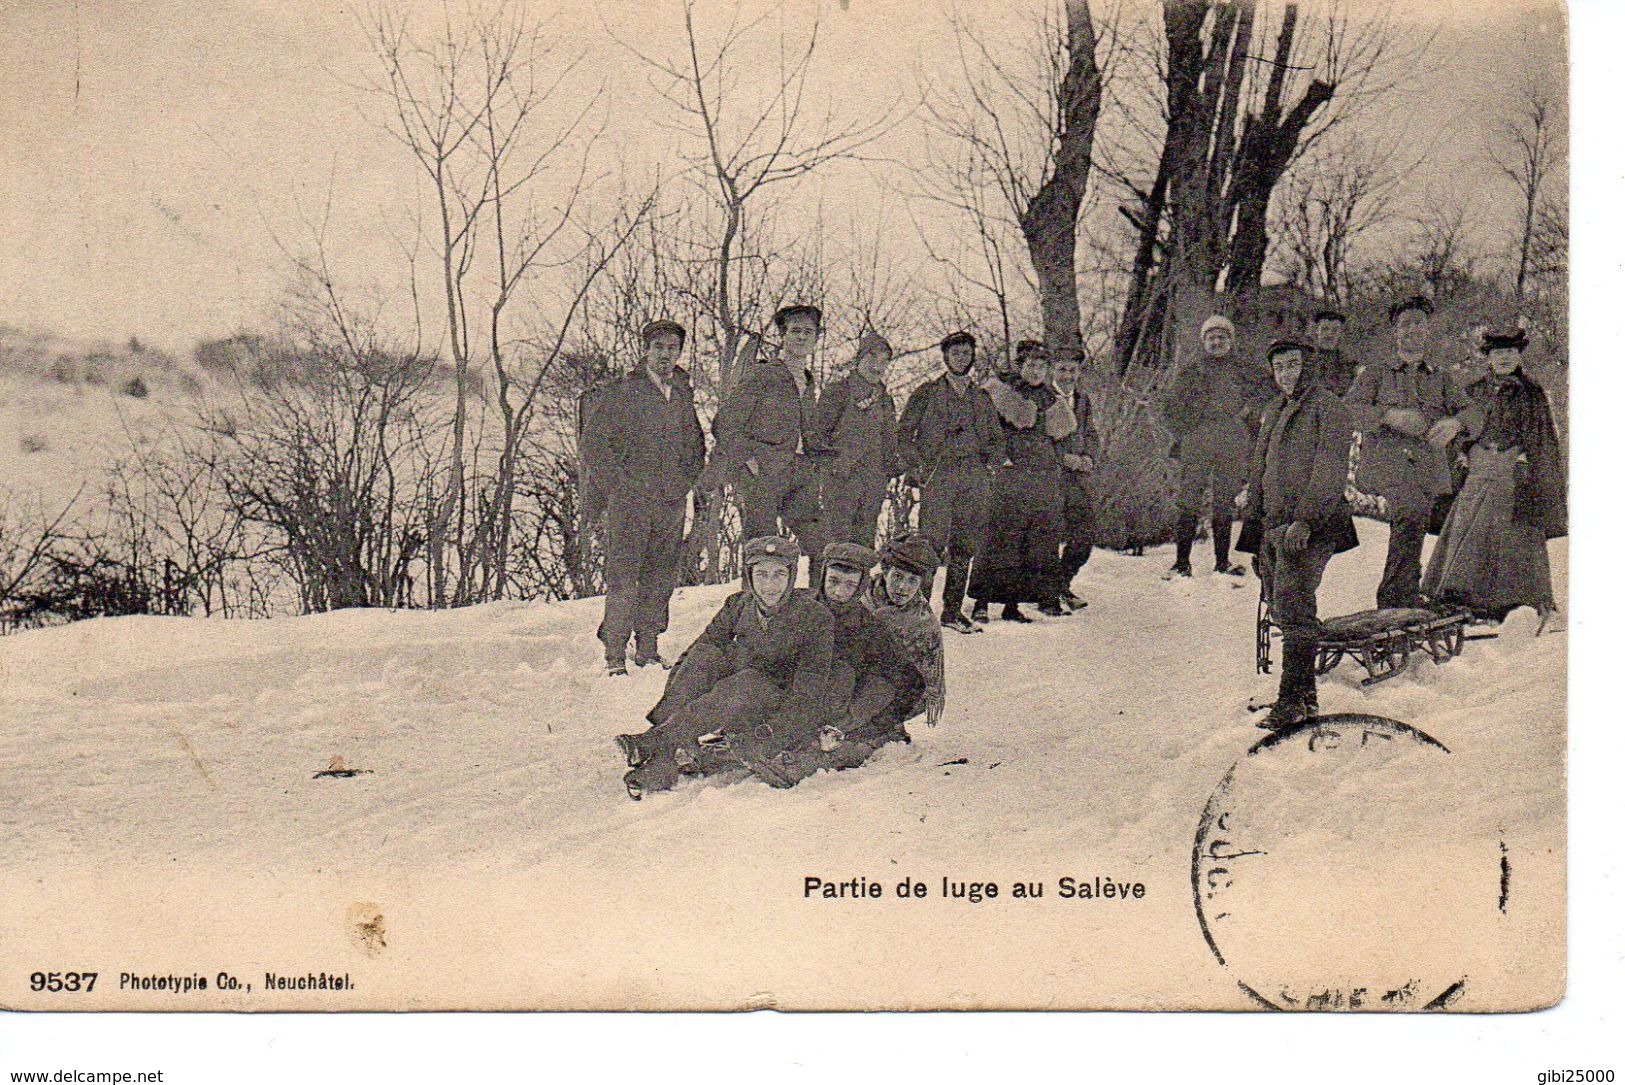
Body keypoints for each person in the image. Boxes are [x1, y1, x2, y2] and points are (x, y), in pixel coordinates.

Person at [616, 535, 833, 800]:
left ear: (791, 577)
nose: (769, 585)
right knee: (706, 654)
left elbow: (809, 689)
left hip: (778, 707)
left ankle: (655, 742)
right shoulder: (737, 605)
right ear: (749, 576)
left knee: (748, 682)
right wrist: (669, 710)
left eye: (779, 575)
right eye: (761, 574)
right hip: (732, 696)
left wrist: (774, 733)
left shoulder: (814, 617)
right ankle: (661, 752)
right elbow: (696, 655)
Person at [735, 541, 929, 788]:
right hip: (789, 701)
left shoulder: (870, 628)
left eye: (850, 585)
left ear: (861, 586)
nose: (839, 592)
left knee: (844, 678)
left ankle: (809, 755)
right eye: (834, 581)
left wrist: (855, 724)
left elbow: (902, 682)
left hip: (839, 712)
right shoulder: (796, 606)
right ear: (822, 576)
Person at [1238, 340, 1359, 730]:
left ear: (1309, 367)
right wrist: (1254, 533)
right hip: (1273, 526)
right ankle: (1304, 697)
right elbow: (1260, 471)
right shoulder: (1274, 410)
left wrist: (1305, 521)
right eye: (1280, 367)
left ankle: (1292, 702)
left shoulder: (1330, 408)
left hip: (1311, 526)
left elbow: (1329, 470)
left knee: (1294, 608)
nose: (1287, 373)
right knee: (1283, 607)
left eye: (1294, 365)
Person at [582, 319, 707, 675]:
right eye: (659, 348)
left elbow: (695, 442)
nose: (666, 355)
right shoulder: (624, 391)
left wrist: (686, 478)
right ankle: (615, 654)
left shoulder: (681, 393)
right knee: (624, 575)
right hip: (631, 503)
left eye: (673, 348)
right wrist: (618, 487)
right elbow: (594, 445)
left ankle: (648, 647)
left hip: (670, 501)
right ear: (645, 351)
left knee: (661, 576)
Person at [1344, 295, 1482, 609]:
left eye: (1419, 323)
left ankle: (1406, 593)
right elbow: (1350, 409)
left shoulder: (1441, 376)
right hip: (1387, 468)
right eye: (1406, 324)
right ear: (1396, 332)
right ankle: (1394, 596)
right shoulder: (1376, 372)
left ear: (1428, 331)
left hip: (1428, 471)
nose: (1413, 330)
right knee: (1411, 513)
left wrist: (1455, 423)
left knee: (1416, 521)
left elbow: (1474, 413)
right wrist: (1389, 416)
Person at [1421, 329, 1565, 622]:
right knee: (1467, 524)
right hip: (1478, 464)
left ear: (1519, 355)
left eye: (1509, 352)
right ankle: (1459, 595)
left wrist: (1527, 461)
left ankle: (1510, 601)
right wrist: (1463, 449)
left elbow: (1542, 437)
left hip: (1513, 467)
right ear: (1488, 357)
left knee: (1507, 527)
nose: (1503, 358)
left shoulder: (1532, 392)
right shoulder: (1473, 390)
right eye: (1497, 353)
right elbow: (1458, 426)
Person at [710, 304, 828, 585]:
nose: (801, 337)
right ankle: (753, 617)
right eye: (795, 331)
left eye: (808, 332)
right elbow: (724, 422)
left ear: (816, 338)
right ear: (783, 336)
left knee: (822, 546)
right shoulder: (763, 375)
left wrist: (817, 465)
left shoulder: (809, 382)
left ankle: (815, 611)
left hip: (800, 475)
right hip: (764, 475)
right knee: (762, 552)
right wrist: (748, 460)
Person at [897, 331, 1005, 634]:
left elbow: (997, 440)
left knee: (964, 545)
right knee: (931, 544)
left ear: (973, 357)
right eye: (956, 353)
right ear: (945, 357)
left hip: (973, 478)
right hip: (939, 476)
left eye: (966, 353)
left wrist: (991, 466)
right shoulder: (927, 393)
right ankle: (919, 611)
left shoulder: (982, 397)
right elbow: (904, 435)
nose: (961, 359)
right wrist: (918, 468)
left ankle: (953, 611)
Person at [969, 340, 1075, 622]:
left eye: (1042, 366)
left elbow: (1061, 438)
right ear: (1020, 365)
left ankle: (1013, 605)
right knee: (1000, 536)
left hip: (1042, 476)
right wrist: (998, 457)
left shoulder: (1052, 400)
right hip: (1010, 474)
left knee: (1034, 539)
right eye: (1031, 365)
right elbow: (985, 430)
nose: (1037, 371)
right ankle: (981, 602)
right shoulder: (1002, 393)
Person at [1162, 314, 1273, 578]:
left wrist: (1250, 414)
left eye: (1222, 337)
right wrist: (1185, 430)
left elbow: (1267, 392)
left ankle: (1222, 562)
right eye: (1211, 337)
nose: (1216, 342)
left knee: (1224, 502)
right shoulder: (1191, 371)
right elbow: (1170, 408)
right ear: (1203, 341)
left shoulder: (1244, 370)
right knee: (1188, 500)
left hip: (1232, 438)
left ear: (1231, 341)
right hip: (1197, 439)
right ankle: (1181, 563)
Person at [812, 331, 901, 551]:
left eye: (884, 361)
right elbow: (817, 436)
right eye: (872, 358)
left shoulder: (885, 400)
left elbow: (890, 441)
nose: (877, 366)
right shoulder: (838, 392)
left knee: (864, 546)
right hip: (841, 481)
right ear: (859, 359)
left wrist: (889, 470)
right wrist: (833, 469)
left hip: (873, 482)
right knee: (837, 545)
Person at [860, 533, 946, 728]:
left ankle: (884, 724)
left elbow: (928, 681)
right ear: (885, 572)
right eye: (897, 576)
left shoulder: (923, 621)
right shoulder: (860, 596)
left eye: (912, 581)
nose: (902, 587)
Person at [1050, 350, 1099, 612]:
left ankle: (1061, 584)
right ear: (1052, 371)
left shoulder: (1082, 399)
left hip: (1078, 478)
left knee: (1084, 536)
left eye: (1072, 370)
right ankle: (1047, 593)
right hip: (1051, 477)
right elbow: (1037, 440)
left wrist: (1089, 457)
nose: (1067, 376)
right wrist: (1064, 458)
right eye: (1062, 369)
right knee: (1046, 537)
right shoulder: (1044, 398)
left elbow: (1091, 432)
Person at [1311, 308, 1359, 396]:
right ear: (1316, 331)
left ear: (1340, 333)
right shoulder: (1306, 359)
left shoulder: (1348, 363)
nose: (1329, 334)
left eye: (1335, 330)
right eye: (1325, 329)